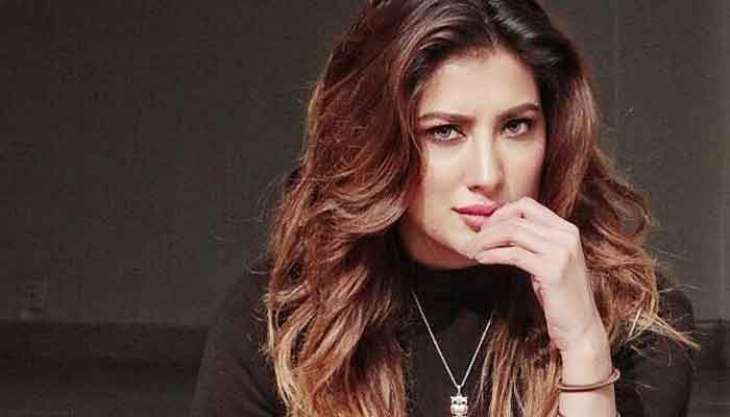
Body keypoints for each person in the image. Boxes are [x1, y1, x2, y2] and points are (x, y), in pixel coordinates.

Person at [189, 1, 699, 416]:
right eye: (446, 131)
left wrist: (585, 349)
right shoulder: (281, 319)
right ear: (377, 142)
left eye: (516, 126)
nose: (488, 174)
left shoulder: (636, 319)